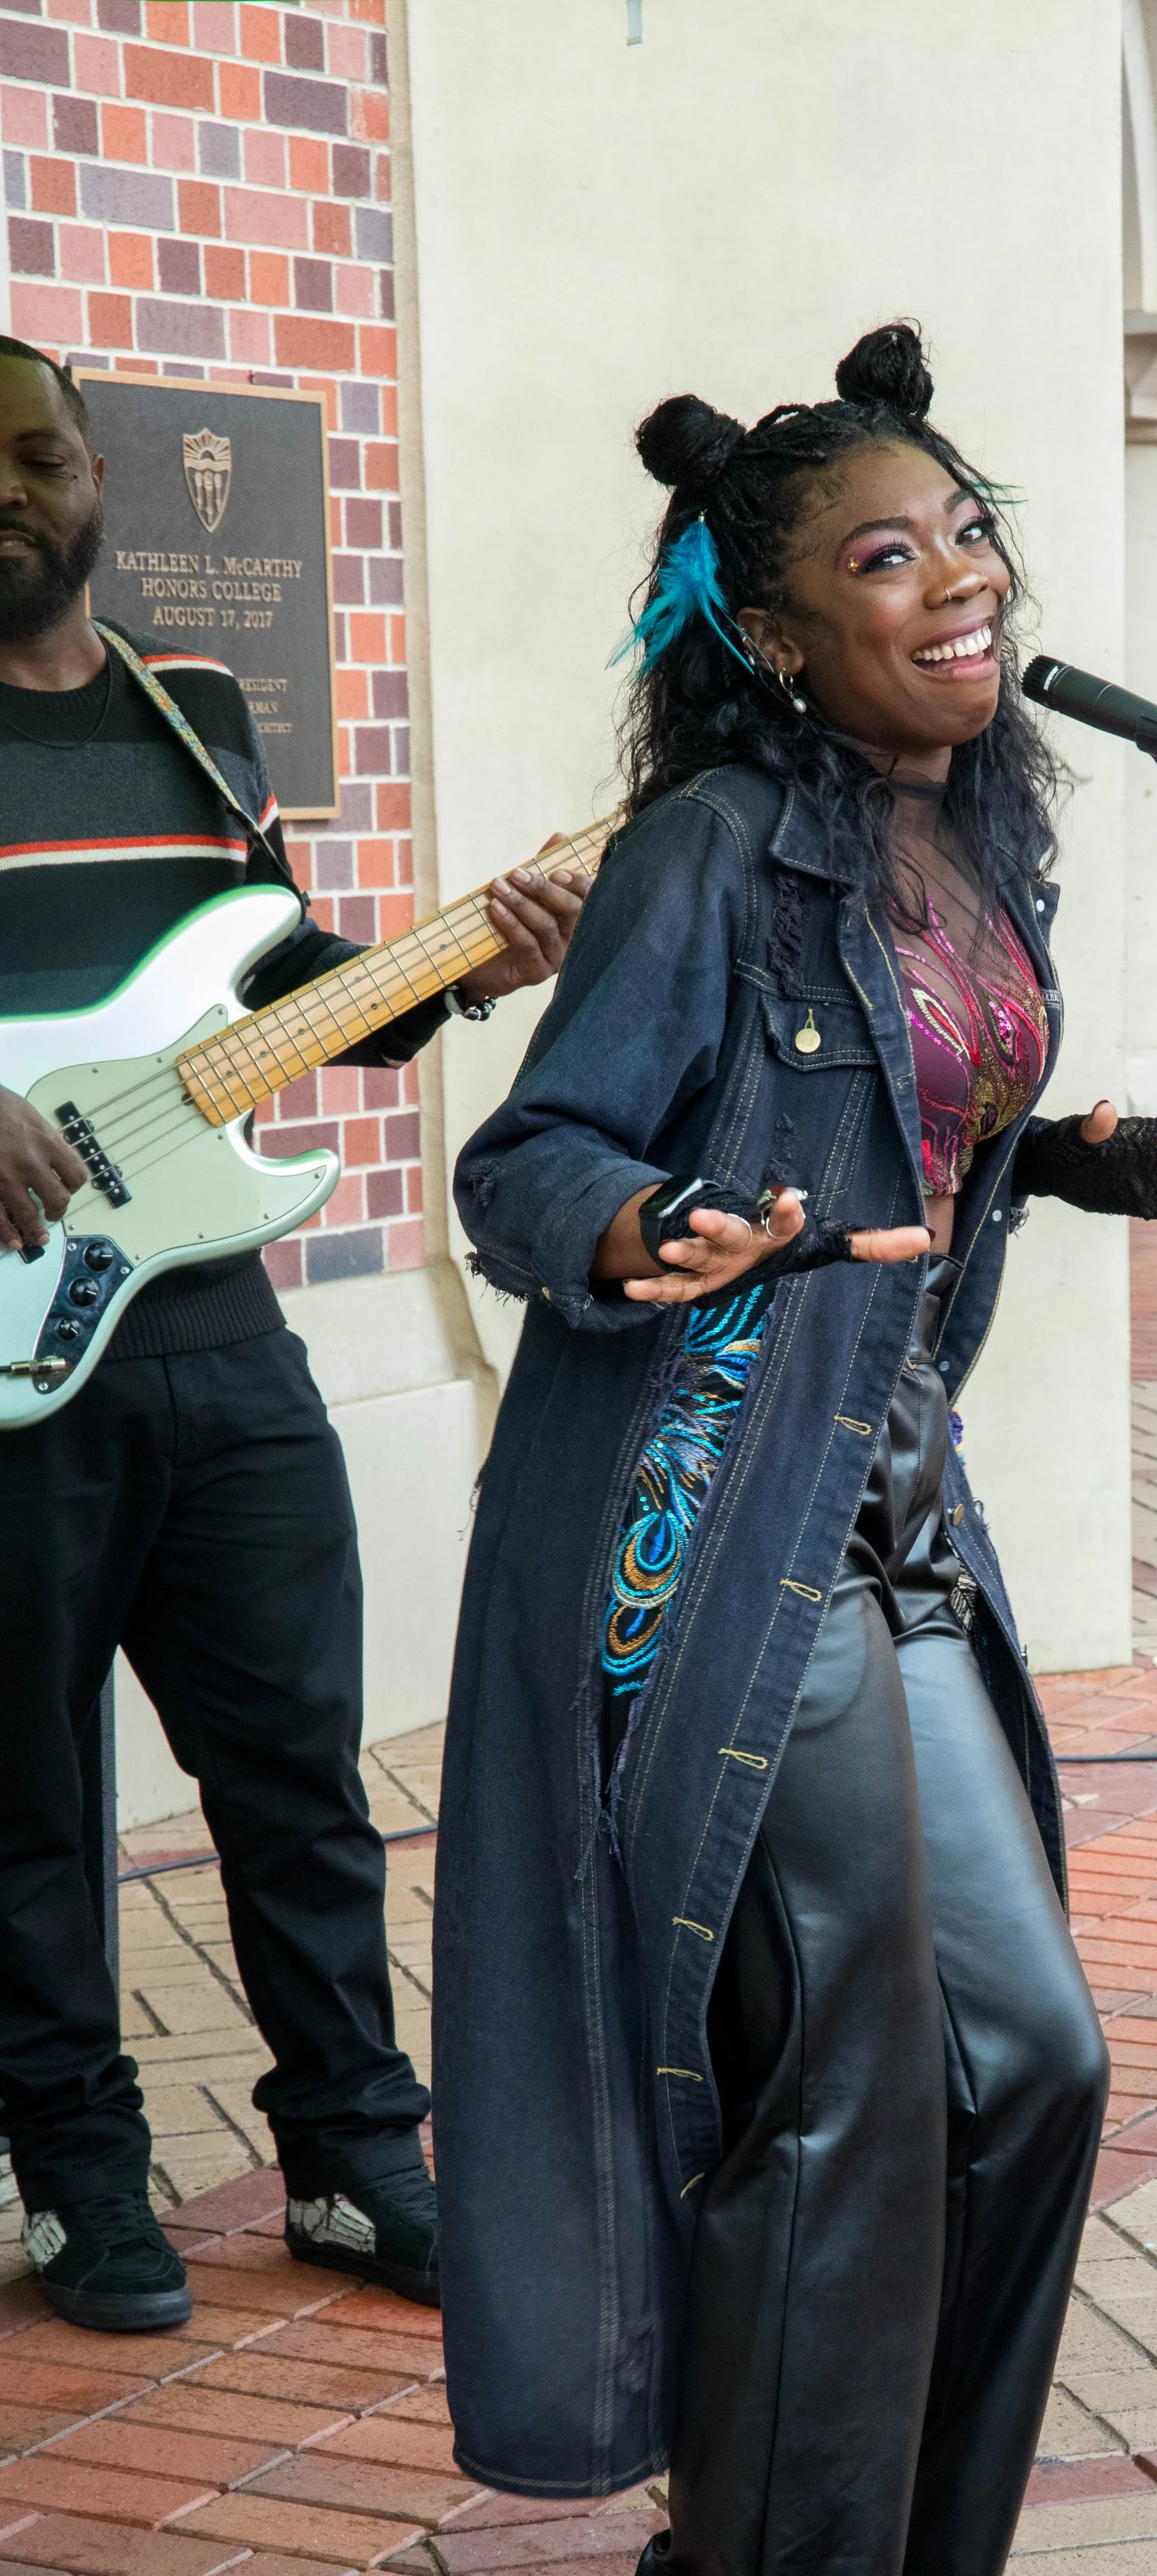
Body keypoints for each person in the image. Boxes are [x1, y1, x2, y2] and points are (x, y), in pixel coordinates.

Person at [434, 323, 1157, 2576]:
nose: (958, 584)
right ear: (776, 637)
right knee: (838, 2101)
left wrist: (1104, 1158)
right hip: (709, 1527)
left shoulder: (980, 844)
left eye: (966, 537)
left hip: (896, 1517)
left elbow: (938, 1136)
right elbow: (540, 1153)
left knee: (1025, 2069)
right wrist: (629, 1225)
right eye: (883, 561)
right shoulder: (718, 853)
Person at [0, 336, 586, 2331]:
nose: (9, 487)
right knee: (20, 1798)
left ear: (96, 479)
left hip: (215, 1332)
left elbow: (282, 981)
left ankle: (351, 2156)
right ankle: (86, 2189)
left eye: (35, 454)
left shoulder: (197, 713)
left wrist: (466, 965)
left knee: (295, 1767)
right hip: (10, 1351)